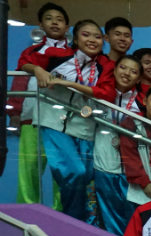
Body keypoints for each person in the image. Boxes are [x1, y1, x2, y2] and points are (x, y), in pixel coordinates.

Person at [19, 18, 116, 222]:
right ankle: (71, 221)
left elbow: (106, 93)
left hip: (86, 127)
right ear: (76, 38)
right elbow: (25, 61)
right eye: (86, 34)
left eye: (97, 36)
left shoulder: (106, 65)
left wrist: (66, 83)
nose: (92, 40)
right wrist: (37, 70)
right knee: (75, 171)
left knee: (85, 178)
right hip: (53, 122)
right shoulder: (58, 55)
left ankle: (72, 223)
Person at [10, 1, 69, 211]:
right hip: (31, 120)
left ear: (67, 27)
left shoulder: (75, 55)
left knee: (62, 174)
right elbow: (19, 80)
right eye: (49, 18)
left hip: (63, 125)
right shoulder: (31, 52)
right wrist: (15, 114)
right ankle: (26, 217)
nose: (54, 22)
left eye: (60, 19)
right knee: (28, 173)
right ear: (41, 25)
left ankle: (62, 218)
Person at [92, 55, 142, 235]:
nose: (127, 73)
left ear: (138, 78)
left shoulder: (142, 102)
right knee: (105, 218)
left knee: (130, 220)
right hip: (103, 164)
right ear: (114, 70)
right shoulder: (100, 96)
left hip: (131, 171)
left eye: (133, 71)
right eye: (123, 68)